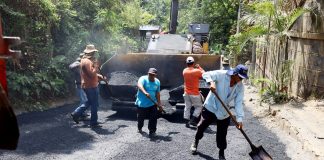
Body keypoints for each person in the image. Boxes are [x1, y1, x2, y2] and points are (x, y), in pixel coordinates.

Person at [190, 64, 249, 160]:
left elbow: (238, 103)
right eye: (240, 77)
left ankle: (221, 153)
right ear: (235, 73)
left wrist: (239, 119)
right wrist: (211, 82)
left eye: (243, 78)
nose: (241, 80)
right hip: (211, 106)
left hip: (223, 110)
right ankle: (196, 141)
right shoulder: (222, 74)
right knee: (201, 126)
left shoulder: (240, 87)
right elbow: (205, 74)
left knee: (222, 133)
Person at [71, 44, 105, 127]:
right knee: (94, 104)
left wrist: (98, 76)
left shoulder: (83, 60)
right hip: (91, 86)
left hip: (87, 85)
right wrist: (96, 66)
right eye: (94, 52)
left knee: (89, 102)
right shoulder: (87, 62)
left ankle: (76, 113)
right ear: (92, 52)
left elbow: (88, 74)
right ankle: (93, 123)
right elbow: (91, 74)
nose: (94, 54)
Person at [135, 68, 161, 137]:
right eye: (150, 74)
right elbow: (139, 85)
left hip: (153, 103)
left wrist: (159, 104)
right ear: (148, 73)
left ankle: (152, 131)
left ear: (155, 75)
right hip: (142, 103)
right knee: (141, 118)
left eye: (153, 75)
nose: (151, 76)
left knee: (153, 117)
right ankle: (139, 127)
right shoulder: (143, 78)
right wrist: (145, 92)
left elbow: (158, 93)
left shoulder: (157, 82)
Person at [183, 56, 205, 127]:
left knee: (187, 106)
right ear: (193, 63)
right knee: (199, 107)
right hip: (194, 93)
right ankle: (193, 120)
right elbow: (205, 74)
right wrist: (199, 67)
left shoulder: (184, 71)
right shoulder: (197, 71)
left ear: (186, 63)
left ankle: (186, 121)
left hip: (186, 93)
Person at [69, 53, 89, 120]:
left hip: (84, 85)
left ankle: (83, 113)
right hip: (79, 85)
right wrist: (79, 62)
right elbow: (71, 66)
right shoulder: (77, 64)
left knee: (85, 100)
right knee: (84, 100)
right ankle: (76, 113)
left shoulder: (83, 65)